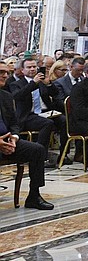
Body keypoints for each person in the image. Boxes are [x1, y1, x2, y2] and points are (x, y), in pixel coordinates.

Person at [0, 62, 54, 209]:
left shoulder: (5, 96)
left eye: (6, 72)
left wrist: (15, 137)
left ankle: (34, 196)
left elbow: (14, 123)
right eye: (1, 72)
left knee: (37, 150)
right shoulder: (16, 89)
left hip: (8, 139)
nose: (5, 75)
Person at [8, 57, 60, 149]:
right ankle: (40, 152)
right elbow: (18, 96)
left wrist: (48, 84)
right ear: (22, 70)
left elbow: (56, 94)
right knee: (47, 123)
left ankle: (64, 154)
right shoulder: (16, 84)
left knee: (64, 121)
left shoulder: (42, 82)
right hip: (28, 115)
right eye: (29, 67)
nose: (32, 69)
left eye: (34, 67)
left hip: (45, 112)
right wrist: (33, 83)